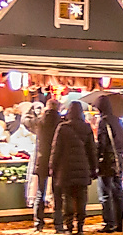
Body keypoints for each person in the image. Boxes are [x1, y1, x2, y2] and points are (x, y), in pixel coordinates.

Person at [51, 102, 98, 235]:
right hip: (83, 168)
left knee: (68, 197)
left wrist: (52, 167)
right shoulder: (86, 128)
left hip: (65, 169)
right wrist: (94, 169)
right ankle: (81, 227)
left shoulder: (62, 128)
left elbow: (56, 150)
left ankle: (69, 226)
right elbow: (92, 151)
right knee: (82, 198)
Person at [95, 96, 123, 233]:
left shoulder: (103, 122)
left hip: (107, 162)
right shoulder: (118, 120)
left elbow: (102, 143)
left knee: (105, 193)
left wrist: (98, 156)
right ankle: (120, 222)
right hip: (119, 160)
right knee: (118, 192)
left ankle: (109, 223)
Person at [31, 100, 62, 233]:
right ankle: (58, 224)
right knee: (57, 194)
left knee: (40, 193)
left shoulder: (40, 122)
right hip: (57, 160)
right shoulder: (62, 122)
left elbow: (26, 120)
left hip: (42, 159)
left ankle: (39, 223)